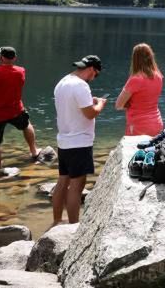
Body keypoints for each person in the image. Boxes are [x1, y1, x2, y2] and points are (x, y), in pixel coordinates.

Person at [53, 55, 106, 225]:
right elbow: (90, 114)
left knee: (62, 181)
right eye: (95, 75)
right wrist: (100, 104)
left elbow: (74, 107)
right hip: (79, 142)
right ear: (91, 69)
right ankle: (73, 226)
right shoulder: (81, 86)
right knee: (77, 186)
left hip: (64, 140)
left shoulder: (62, 82)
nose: (93, 79)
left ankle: (56, 221)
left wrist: (90, 103)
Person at [114, 43, 164, 136]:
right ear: (151, 57)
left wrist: (129, 104)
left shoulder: (135, 79)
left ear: (135, 59)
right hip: (157, 123)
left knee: (135, 150)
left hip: (138, 126)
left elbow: (118, 105)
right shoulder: (159, 76)